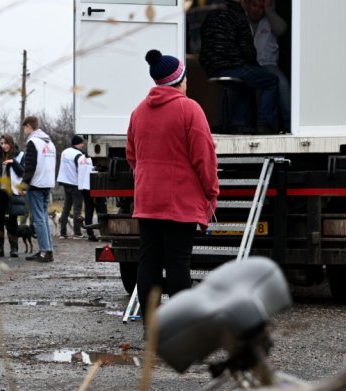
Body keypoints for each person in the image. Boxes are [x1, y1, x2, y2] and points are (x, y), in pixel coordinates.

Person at [127, 49, 220, 318]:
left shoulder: (138, 112)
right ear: (179, 80)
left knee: (149, 263)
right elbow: (204, 157)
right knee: (178, 263)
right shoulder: (190, 109)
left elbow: (132, 156)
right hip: (180, 202)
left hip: (147, 201)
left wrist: (147, 179)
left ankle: (151, 325)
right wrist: (211, 191)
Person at [199, 0, 279, 134]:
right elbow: (247, 49)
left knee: (244, 83)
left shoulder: (211, 14)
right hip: (232, 65)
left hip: (211, 67)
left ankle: (237, 124)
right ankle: (265, 124)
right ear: (244, 3)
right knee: (271, 80)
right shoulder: (238, 15)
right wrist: (255, 66)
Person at [246, 0, 291, 132]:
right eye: (254, 5)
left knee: (283, 84)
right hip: (248, 66)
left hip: (268, 65)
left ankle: (290, 125)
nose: (257, 10)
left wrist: (269, 11)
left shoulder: (269, 20)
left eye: (261, 7)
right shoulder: (241, 20)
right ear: (248, 5)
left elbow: (282, 29)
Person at [21, 116, 56, 262]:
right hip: (48, 183)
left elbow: (30, 166)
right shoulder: (49, 142)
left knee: (38, 219)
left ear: (29, 126)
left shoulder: (33, 142)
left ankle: (44, 251)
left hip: (36, 184)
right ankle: (47, 249)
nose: (24, 131)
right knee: (44, 217)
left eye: (24, 128)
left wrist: (24, 184)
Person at [0, 134, 25, 258]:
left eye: (6, 143)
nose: (3, 146)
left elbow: (23, 173)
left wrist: (13, 162)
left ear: (11, 143)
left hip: (13, 192)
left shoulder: (20, 155)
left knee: (12, 220)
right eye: (1, 143)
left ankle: (14, 248)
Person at [57, 135, 86, 239]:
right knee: (77, 209)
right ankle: (77, 233)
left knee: (66, 208)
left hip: (65, 183)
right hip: (75, 184)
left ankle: (63, 233)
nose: (83, 145)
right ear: (77, 143)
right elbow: (81, 170)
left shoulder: (65, 152)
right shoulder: (78, 154)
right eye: (82, 143)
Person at [77, 147, 107, 242]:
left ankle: (90, 234)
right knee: (101, 211)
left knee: (88, 210)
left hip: (83, 187)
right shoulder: (94, 160)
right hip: (95, 187)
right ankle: (104, 233)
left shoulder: (80, 158)